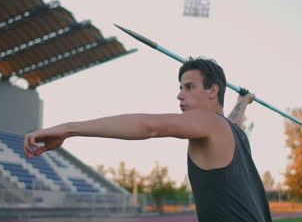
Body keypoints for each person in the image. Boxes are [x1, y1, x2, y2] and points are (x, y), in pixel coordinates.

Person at [24, 57, 272, 222]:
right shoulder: (233, 131)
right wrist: (243, 102)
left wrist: (68, 129)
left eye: (189, 87)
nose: (179, 95)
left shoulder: (210, 122)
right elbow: (234, 119)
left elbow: (149, 126)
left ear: (213, 90)